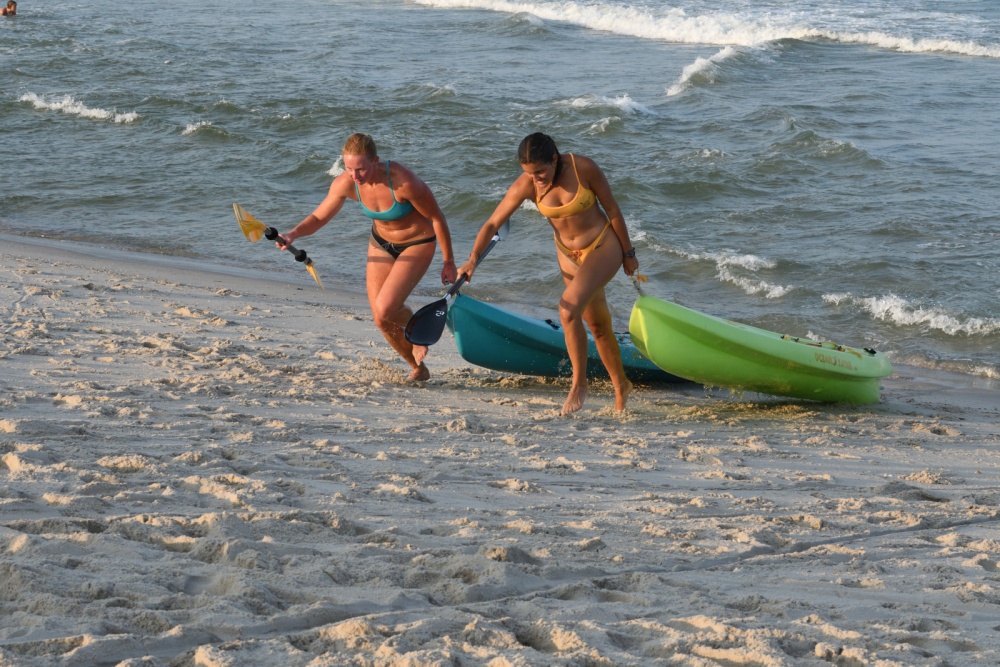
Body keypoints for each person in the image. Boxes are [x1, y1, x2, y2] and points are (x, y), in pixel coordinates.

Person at [458, 132, 639, 415]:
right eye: (529, 173)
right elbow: (493, 223)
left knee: (567, 310)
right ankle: (622, 387)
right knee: (598, 326)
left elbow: (613, 209)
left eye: (540, 172)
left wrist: (628, 253)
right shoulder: (527, 184)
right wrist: (472, 260)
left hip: (603, 245)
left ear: (554, 159)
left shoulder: (583, 168)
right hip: (568, 255)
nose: (535, 179)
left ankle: (578, 384)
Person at [277, 133, 457, 382]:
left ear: (375, 161)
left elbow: (437, 218)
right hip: (380, 243)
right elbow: (319, 217)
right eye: (349, 168)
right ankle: (418, 367)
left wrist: (448, 262)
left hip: (417, 243)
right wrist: (293, 234)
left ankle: (416, 332)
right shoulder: (346, 183)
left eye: (360, 169)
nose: (355, 175)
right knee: (381, 318)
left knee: (385, 310)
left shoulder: (403, 182)